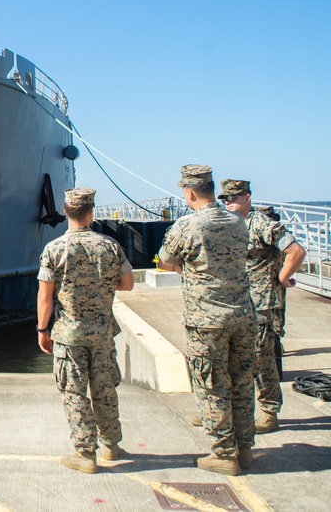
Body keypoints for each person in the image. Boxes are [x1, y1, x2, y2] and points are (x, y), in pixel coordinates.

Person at [157, 165, 257, 476]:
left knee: (211, 384)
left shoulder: (187, 226)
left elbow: (165, 261)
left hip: (207, 320)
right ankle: (246, 448)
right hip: (243, 315)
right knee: (242, 382)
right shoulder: (239, 222)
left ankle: (223, 454)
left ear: (189, 193)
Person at [37, 187, 134, 474]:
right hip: (103, 333)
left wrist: (43, 329)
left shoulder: (54, 249)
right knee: (104, 390)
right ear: (91, 213)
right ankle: (112, 445)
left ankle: (85, 453)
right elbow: (127, 284)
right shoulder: (110, 246)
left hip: (69, 335)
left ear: (66, 213)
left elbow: (45, 297)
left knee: (74, 393)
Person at [218, 179, 306, 434]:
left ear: (247, 197)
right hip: (239, 302)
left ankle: (269, 411)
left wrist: (282, 277)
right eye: (225, 199)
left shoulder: (261, 223)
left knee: (261, 358)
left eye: (233, 198)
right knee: (235, 358)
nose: (228, 203)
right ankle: (230, 411)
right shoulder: (232, 225)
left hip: (263, 304)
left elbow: (296, 251)